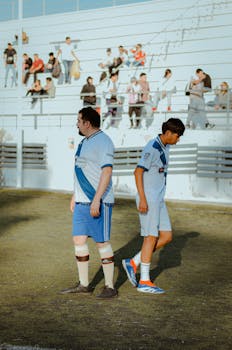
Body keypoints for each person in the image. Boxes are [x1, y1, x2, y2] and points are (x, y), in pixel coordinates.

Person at [122, 118, 185, 294]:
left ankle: (133, 262)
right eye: (177, 136)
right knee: (150, 237)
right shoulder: (153, 148)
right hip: (148, 199)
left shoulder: (166, 146)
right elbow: (138, 171)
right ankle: (144, 281)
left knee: (166, 236)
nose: (178, 139)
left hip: (159, 200)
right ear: (168, 133)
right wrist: (142, 198)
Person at [60, 107, 117, 299]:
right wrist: (75, 195)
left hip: (98, 201)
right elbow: (80, 170)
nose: (76, 124)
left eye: (78, 120)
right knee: (78, 240)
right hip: (82, 201)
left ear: (87, 123)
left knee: (102, 243)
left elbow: (106, 172)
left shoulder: (104, 141)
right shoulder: (83, 142)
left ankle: (110, 286)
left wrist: (97, 199)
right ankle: (84, 284)